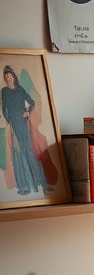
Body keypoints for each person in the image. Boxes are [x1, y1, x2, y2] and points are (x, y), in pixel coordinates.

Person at [1, 65, 50, 195]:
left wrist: (27, 112)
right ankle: (24, 187)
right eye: (6, 77)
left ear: (13, 77)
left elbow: (31, 102)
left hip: (23, 123)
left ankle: (42, 184)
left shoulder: (20, 89)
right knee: (18, 153)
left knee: (29, 151)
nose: (8, 78)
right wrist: (10, 121)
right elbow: (4, 109)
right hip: (14, 125)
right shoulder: (4, 91)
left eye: (10, 76)